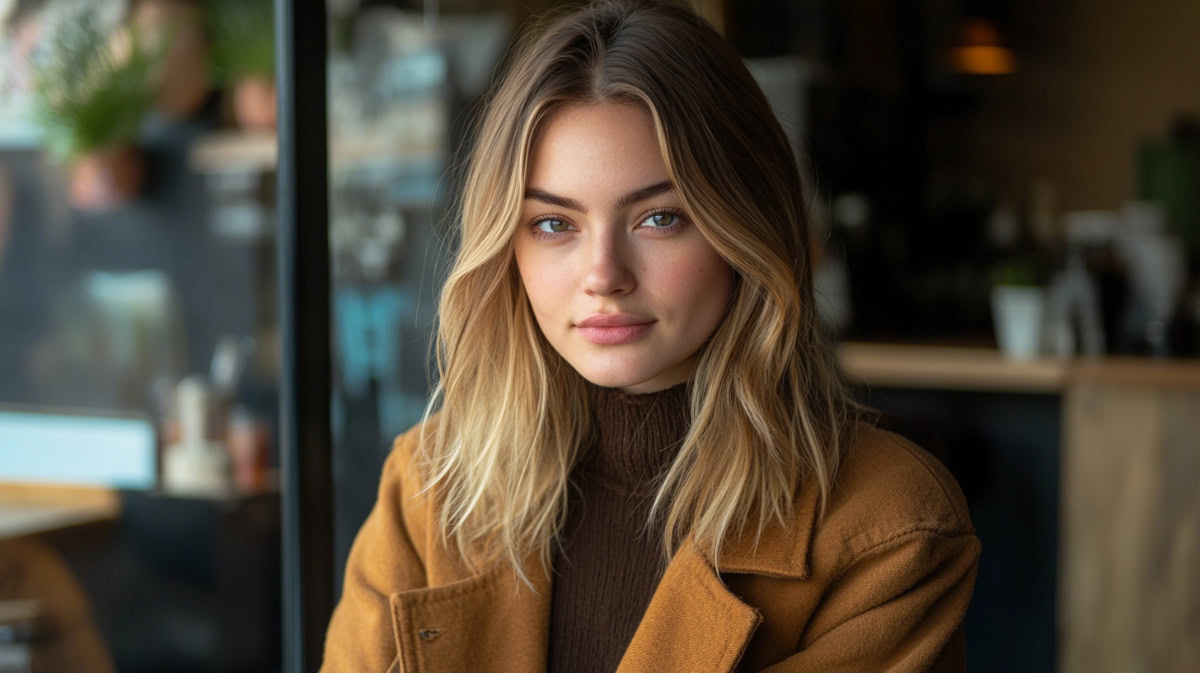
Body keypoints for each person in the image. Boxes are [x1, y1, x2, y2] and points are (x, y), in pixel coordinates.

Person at [320, 2, 980, 672]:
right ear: (505, 247)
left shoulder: (888, 525)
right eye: (554, 223)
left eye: (660, 217)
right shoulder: (428, 490)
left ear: (744, 230)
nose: (604, 275)